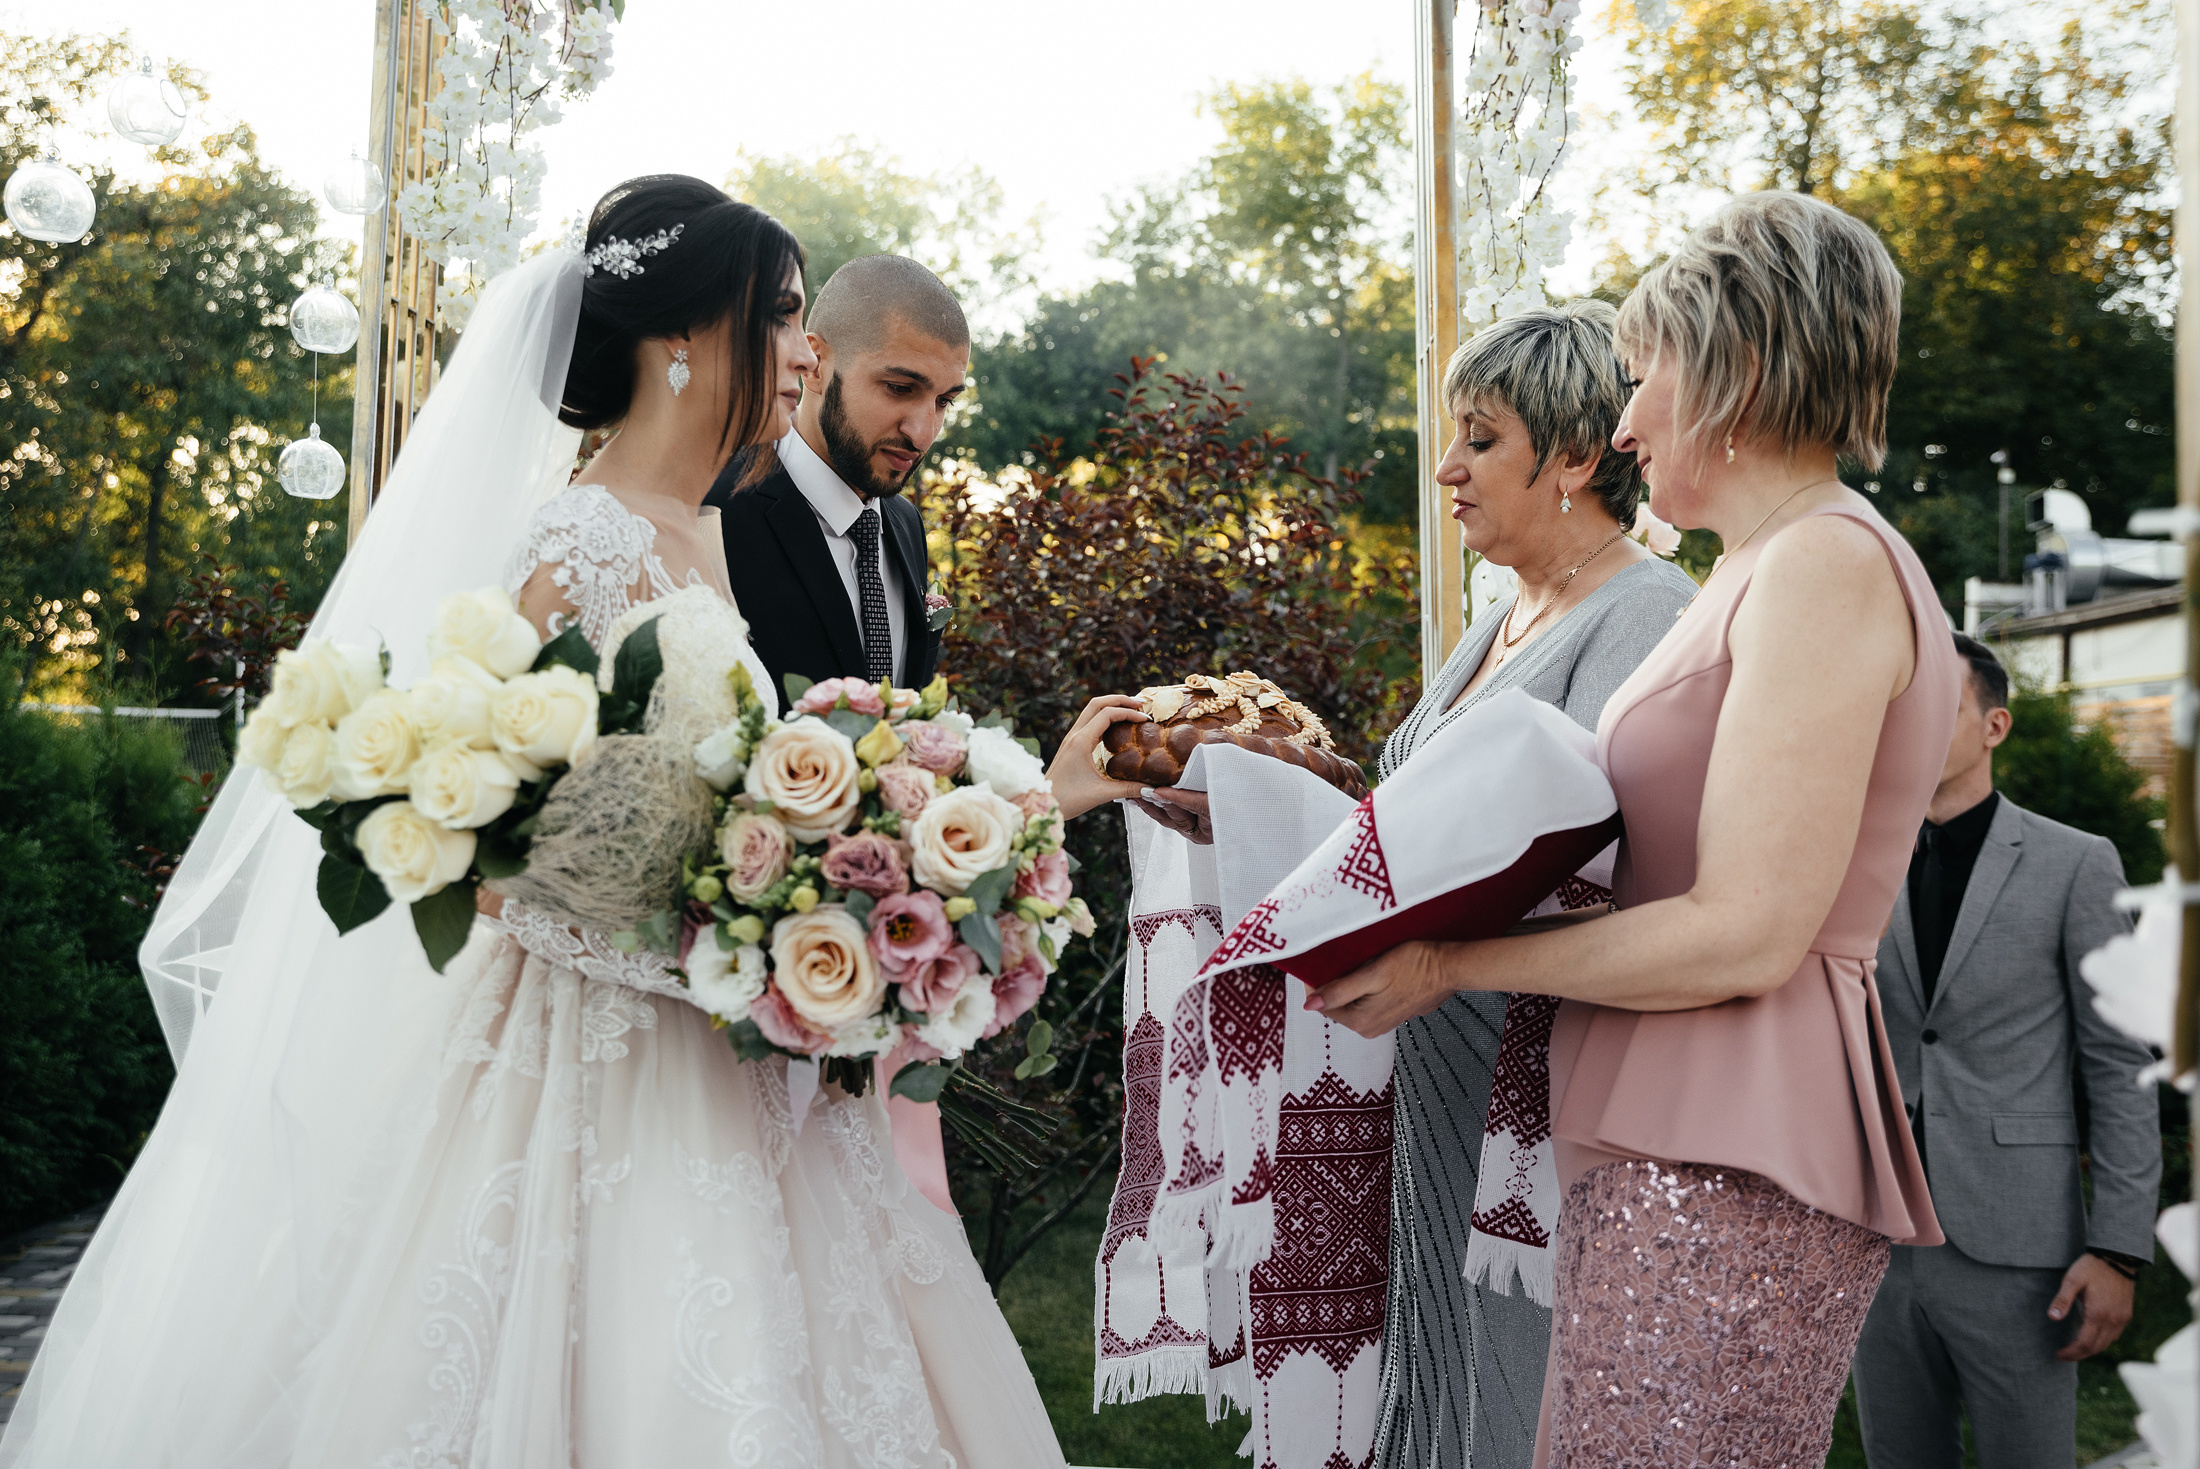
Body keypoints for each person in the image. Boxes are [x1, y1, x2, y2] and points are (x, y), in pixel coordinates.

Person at [0, 176, 1066, 1469]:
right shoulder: (575, 539)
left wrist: (793, 939)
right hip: (594, 1065)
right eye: (780, 314)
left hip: (745, 1065)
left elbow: (671, 812)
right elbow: (490, 864)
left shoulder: (705, 533)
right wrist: (734, 958)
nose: (803, 348)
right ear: (684, 337)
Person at [1303, 190, 1960, 1468]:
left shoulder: (1822, 564)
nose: (1623, 421)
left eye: (1647, 372)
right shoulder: (1762, 567)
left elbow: (1746, 933)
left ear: (1743, 371)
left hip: (1723, 1135)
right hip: (1667, 1128)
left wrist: (1449, 966)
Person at [1365, 302, 1697, 1469]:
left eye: (1480, 437)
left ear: (1574, 455)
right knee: (1439, 1383)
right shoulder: (1499, 618)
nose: (1446, 468)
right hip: (1435, 1075)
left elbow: (1649, 874)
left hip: (1550, 1098)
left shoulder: (1653, 617)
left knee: (1526, 1399)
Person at [1852, 633, 2159, 1469]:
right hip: (1877, 1235)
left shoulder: (2076, 864)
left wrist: (2119, 1247)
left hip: (2019, 1245)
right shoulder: (1856, 860)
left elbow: (2122, 1066)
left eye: (1939, 710)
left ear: (1995, 725)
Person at [704, 254, 962, 704]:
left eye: (944, 402)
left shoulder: (905, 523)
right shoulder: (715, 509)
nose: (921, 433)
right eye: (900, 388)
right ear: (816, 364)